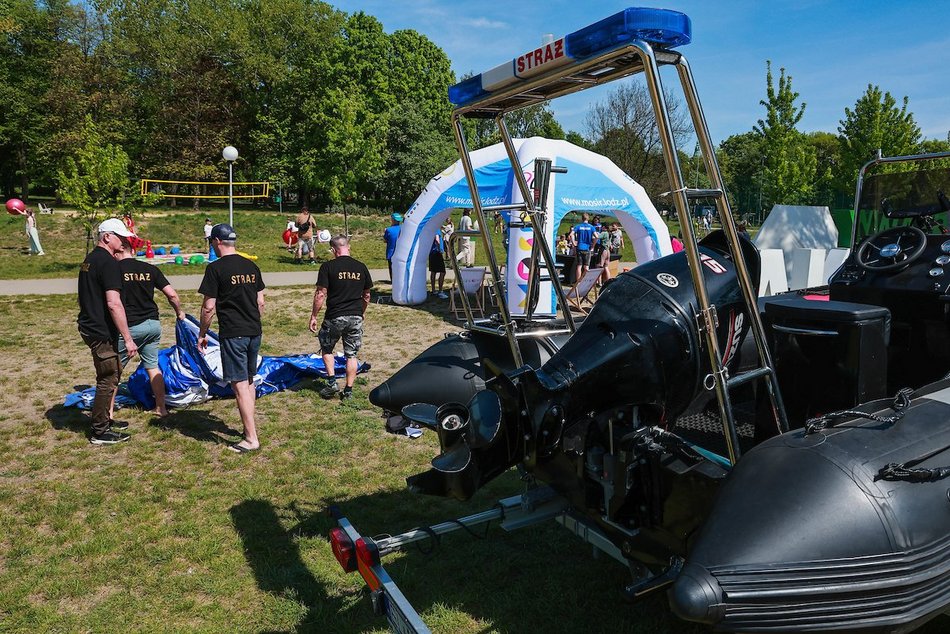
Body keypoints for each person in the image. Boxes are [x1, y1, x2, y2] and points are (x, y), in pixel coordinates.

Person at [198, 224, 266, 453]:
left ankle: (250, 438)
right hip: (254, 331)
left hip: (234, 333)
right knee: (248, 380)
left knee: (239, 385)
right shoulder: (251, 265)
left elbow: (208, 308)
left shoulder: (215, 269)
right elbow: (261, 302)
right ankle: (251, 427)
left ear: (217, 241)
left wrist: (202, 333)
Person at [77, 218, 139, 445]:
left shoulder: (90, 260)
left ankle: (104, 419)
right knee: (109, 377)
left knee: (113, 373)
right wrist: (128, 338)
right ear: (106, 237)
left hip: (91, 327)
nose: (124, 241)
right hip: (100, 331)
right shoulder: (109, 263)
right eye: (120, 237)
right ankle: (100, 431)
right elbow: (114, 303)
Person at [115, 241, 185, 417]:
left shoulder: (114, 270)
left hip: (129, 327)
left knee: (113, 371)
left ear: (122, 249)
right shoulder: (150, 269)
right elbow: (172, 294)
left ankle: (107, 413)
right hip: (152, 324)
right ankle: (161, 407)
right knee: (152, 366)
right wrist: (179, 312)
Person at [309, 235, 373, 401]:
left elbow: (320, 294)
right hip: (355, 316)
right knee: (351, 354)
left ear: (333, 250)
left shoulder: (328, 267)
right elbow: (366, 295)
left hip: (335, 316)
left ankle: (332, 382)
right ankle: (349, 390)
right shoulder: (361, 267)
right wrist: (362, 311)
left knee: (327, 347)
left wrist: (314, 316)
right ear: (348, 247)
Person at [570, 212, 596, 283]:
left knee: (579, 266)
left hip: (579, 247)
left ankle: (578, 282)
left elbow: (571, 234)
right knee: (586, 267)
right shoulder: (591, 227)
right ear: (588, 218)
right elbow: (596, 237)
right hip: (587, 248)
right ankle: (585, 282)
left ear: (582, 218)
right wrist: (593, 245)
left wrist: (574, 243)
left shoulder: (578, 226)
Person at [383, 212, 402, 280]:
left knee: (391, 268)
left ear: (392, 220)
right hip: (401, 252)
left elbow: (385, 240)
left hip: (391, 252)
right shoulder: (403, 228)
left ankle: (393, 280)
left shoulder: (388, 230)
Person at [429, 233, 447, 298]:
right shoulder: (437, 229)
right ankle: (440, 291)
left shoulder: (432, 228)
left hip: (431, 252)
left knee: (433, 272)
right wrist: (439, 249)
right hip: (437, 252)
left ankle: (433, 290)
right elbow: (437, 240)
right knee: (443, 272)